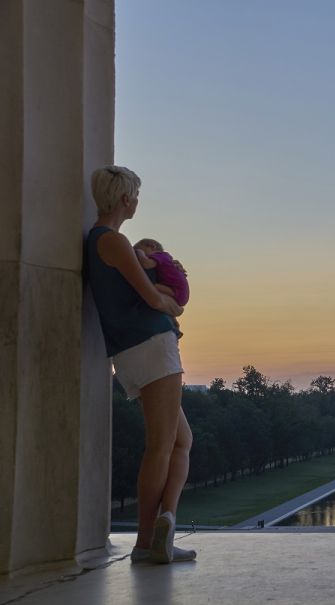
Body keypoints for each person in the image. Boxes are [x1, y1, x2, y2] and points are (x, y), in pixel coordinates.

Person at [85, 165, 196, 564]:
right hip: (150, 347)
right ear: (126, 199)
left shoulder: (103, 242)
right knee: (161, 446)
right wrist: (174, 305)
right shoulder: (112, 241)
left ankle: (165, 523)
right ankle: (147, 542)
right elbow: (151, 298)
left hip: (136, 350)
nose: (137, 202)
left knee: (181, 442)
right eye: (135, 195)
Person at [133, 238, 190, 306]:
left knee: (148, 285)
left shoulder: (161, 255)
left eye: (143, 250)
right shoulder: (166, 259)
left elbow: (146, 264)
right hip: (179, 294)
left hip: (178, 291)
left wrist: (140, 252)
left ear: (152, 246)